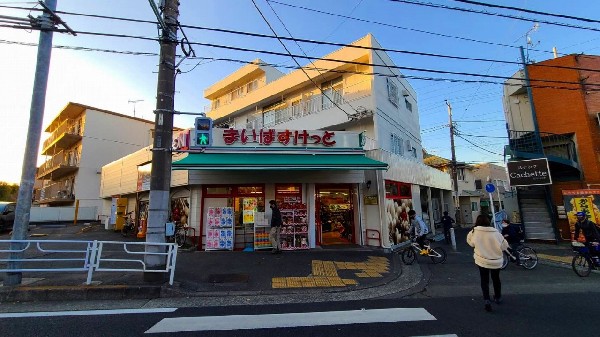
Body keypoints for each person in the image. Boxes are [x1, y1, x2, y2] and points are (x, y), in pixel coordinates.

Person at [467, 214, 509, 312]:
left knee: (484, 280)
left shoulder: (474, 232)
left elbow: (471, 243)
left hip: (482, 260)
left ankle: (487, 300)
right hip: (496, 261)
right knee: (496, 279)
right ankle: (498, 297)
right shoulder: (496, 232)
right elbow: (504, 246)